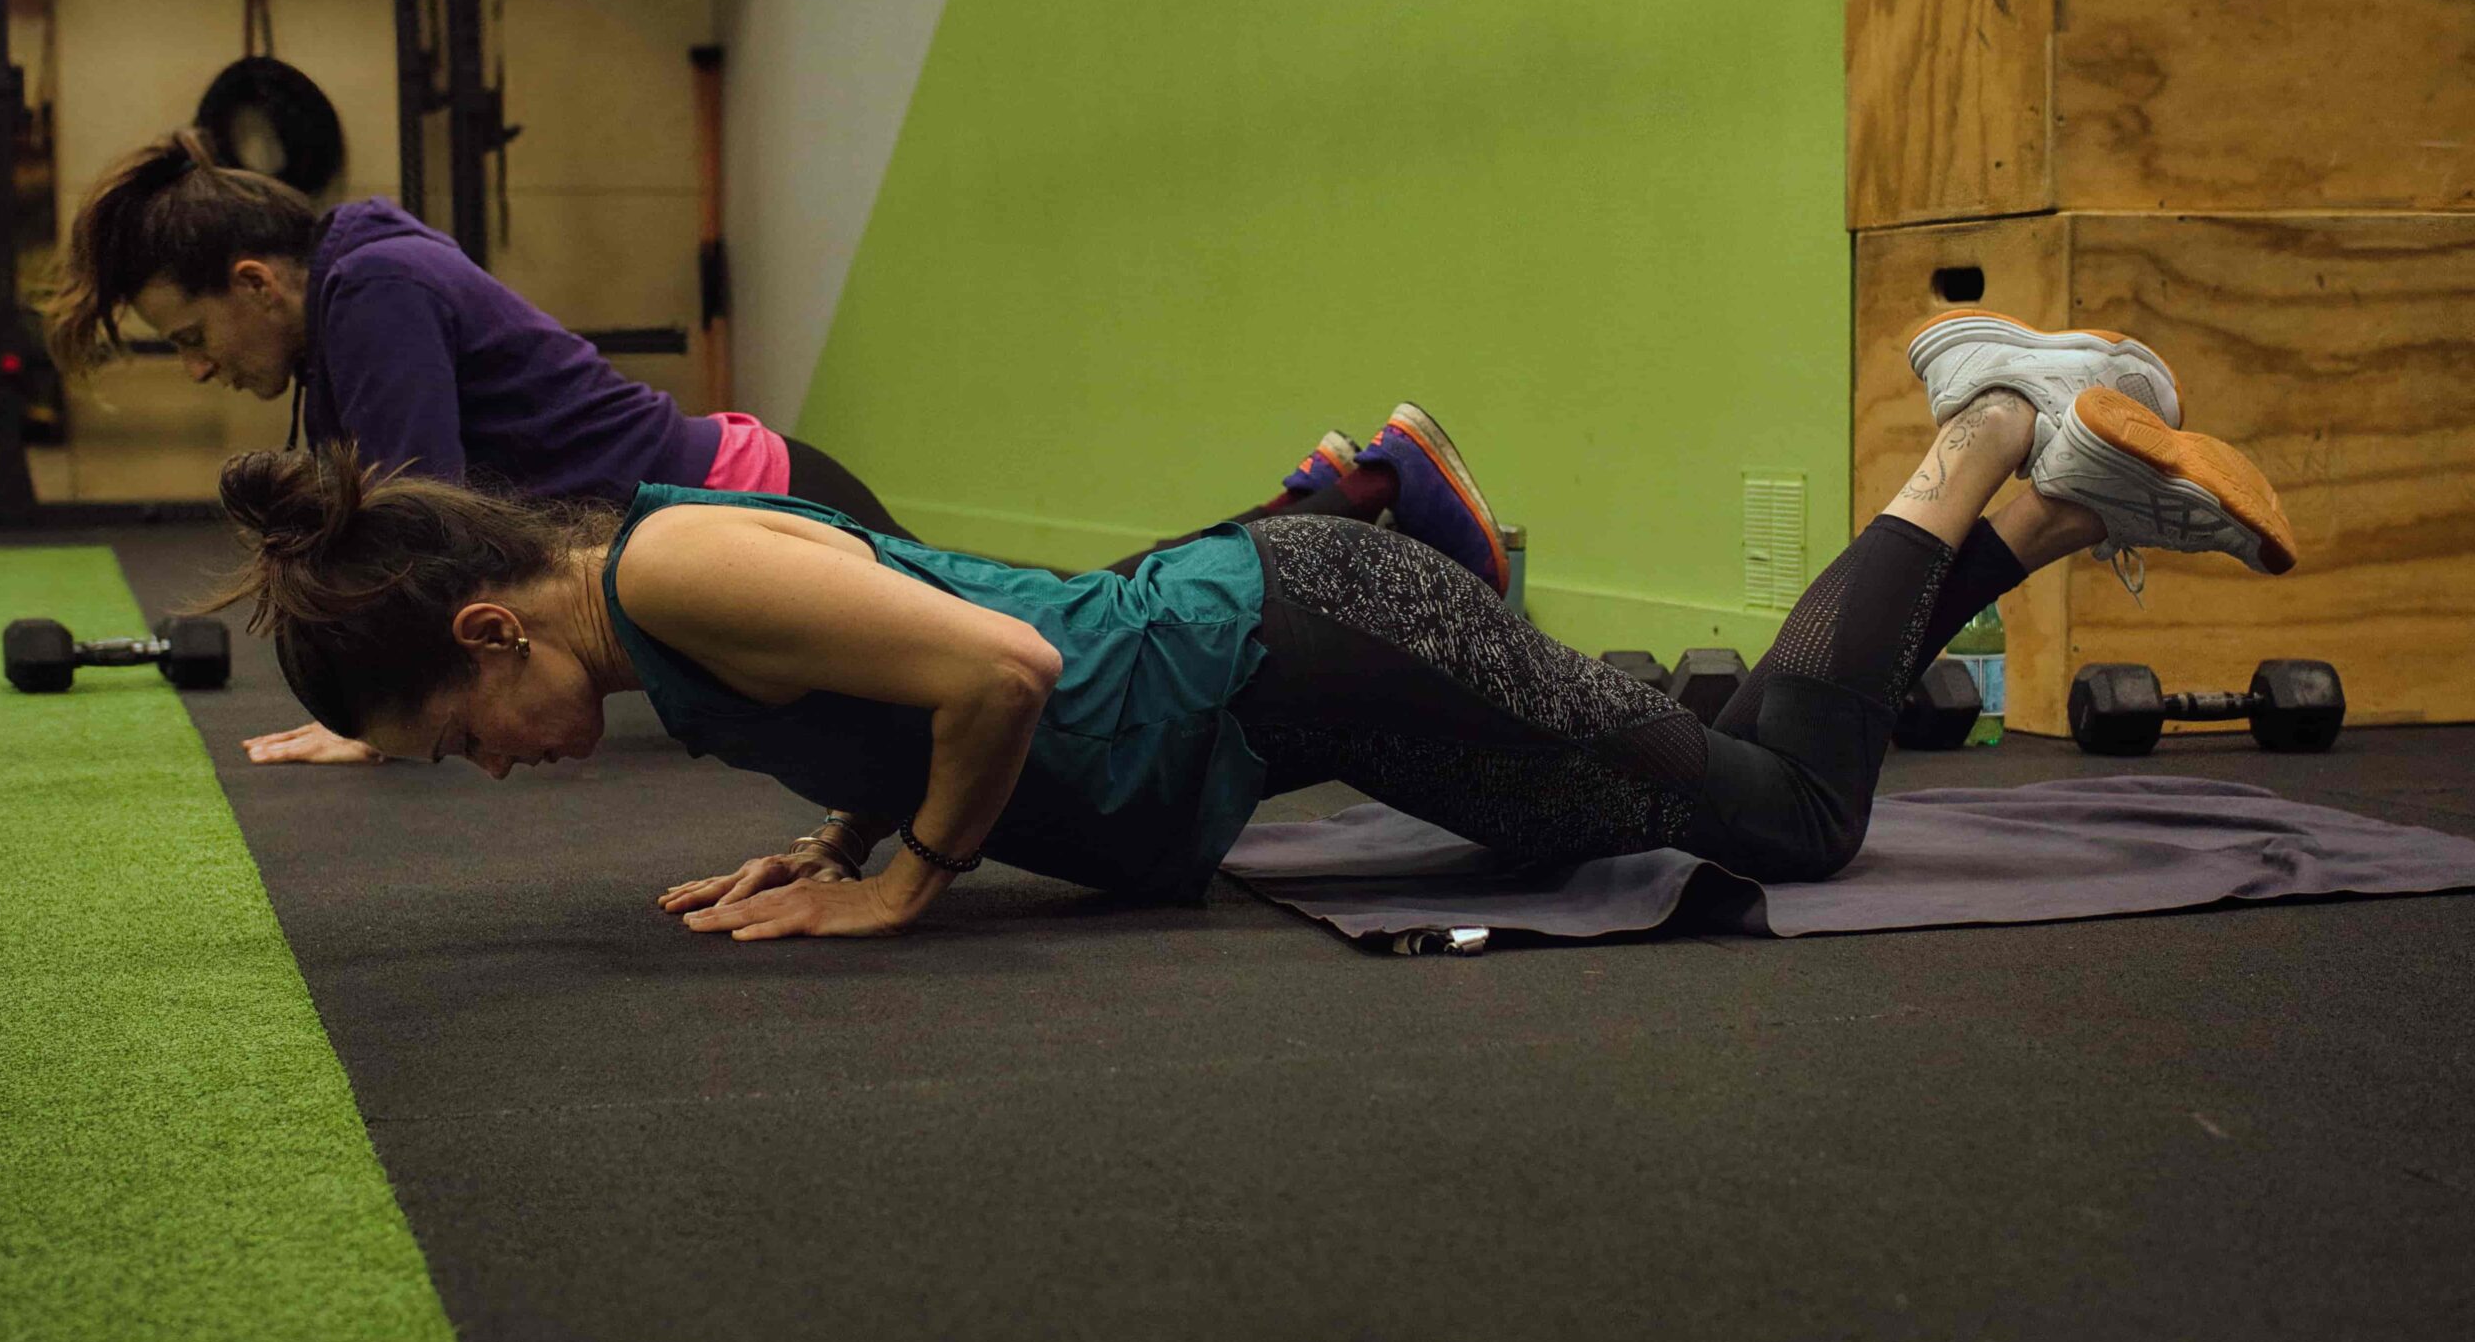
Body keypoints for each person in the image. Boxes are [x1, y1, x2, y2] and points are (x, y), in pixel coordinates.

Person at [200, 313, 2296, 940]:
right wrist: (833, 833)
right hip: (1276, 674)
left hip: (1306, 631)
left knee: (1775, 816)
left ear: (490, 627)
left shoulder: (663, 572)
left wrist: (903, 881)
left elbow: (1003, 670)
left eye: (460, 735)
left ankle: (1978, 425)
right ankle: (2055, 508)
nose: (495, 770)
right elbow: (912, 648)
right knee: (1594, 823)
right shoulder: (656, 617)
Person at [43, 129, 1512, 766]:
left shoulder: (366, 294)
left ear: (254, 281)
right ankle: (1355, 506)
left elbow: (422, 513)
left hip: (748, 505)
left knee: (1092, 656)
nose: (205, 368)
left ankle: (1371, 511)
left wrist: (387, 704)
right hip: (745, 492)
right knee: (1087, 632)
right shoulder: (364, 275)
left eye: (191, 336)